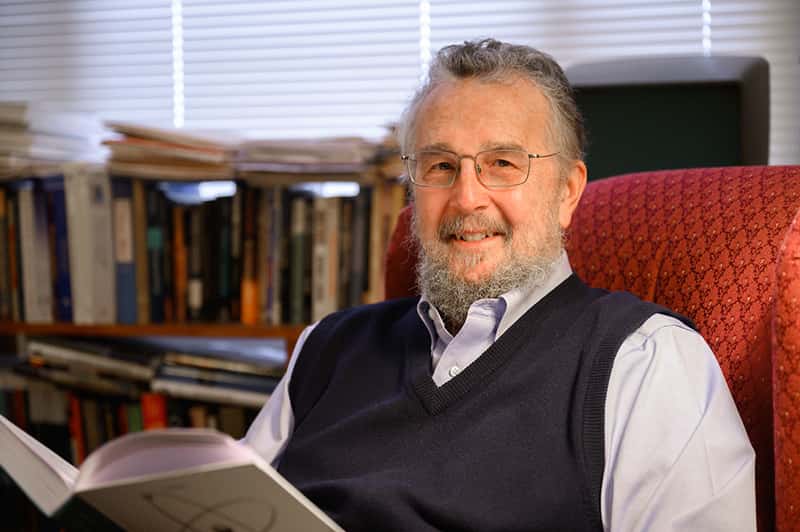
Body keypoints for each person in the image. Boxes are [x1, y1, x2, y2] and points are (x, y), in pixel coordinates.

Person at [244, 39, 756, 531]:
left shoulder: (646, 363)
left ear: (567, 192)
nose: (467, 199)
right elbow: (211, 509)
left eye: (502, 165)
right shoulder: (324, 350)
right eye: (440, 166)